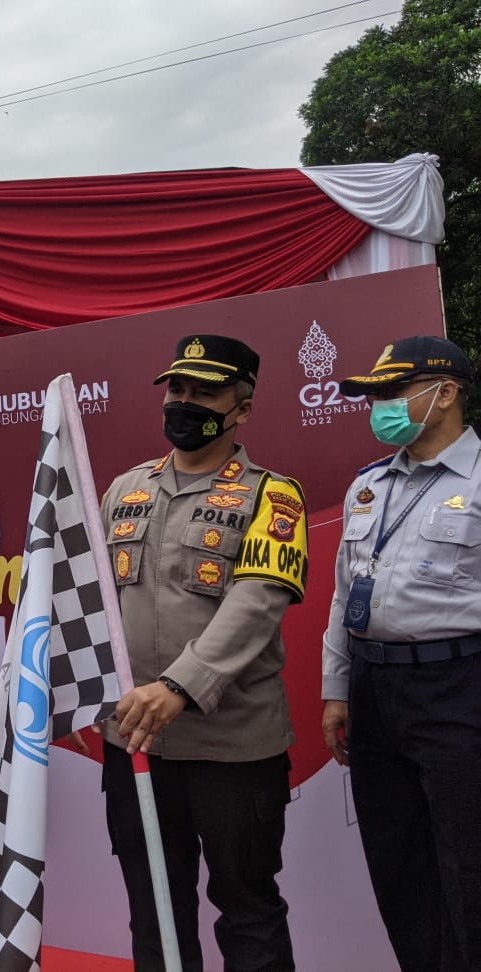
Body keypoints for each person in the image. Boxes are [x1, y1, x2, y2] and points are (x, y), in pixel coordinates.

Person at [97, 335, 307, 972]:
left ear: (241, 409)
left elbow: (257, 603)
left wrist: (180, 686)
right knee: (155, 907)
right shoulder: (123, 490)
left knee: (247, 908)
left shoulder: (276, 495)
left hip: (232, 748)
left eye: (204, 392)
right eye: (178, 389)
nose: (184, 402)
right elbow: (88, 599)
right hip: (134, 743)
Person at [320, 335, 481, 970]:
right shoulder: (370, 484)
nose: (378, 407)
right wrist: (337, 691)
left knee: (468, 862)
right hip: (373, 690)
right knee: (398, 861)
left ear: (445, 394)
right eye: (374, 395)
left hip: (460, 685)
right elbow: (342, 595)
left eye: (390, 393)